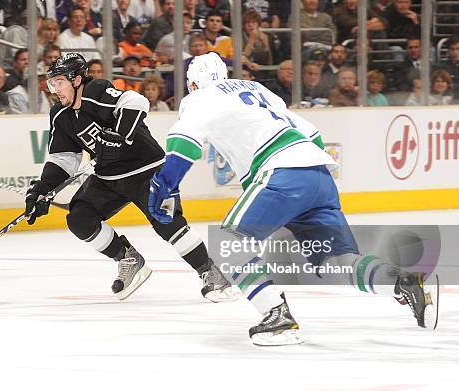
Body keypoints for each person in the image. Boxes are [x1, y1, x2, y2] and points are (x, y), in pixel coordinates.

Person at [148, 52, 438, 345]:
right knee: (335, 262)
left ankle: (277, 317)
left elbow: (183, 144)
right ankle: (402, 282)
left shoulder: (200, 98)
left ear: (193, 84)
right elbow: (313, 135)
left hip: (281, 173)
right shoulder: (258, 89)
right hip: (318, 173)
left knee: (228, 243)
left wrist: (163, 185)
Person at [25, 52, 233, 302]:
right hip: (108, 177)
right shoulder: (60, 114)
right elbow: (63, 158)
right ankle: (128, 259)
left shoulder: (97, 91)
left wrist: (119, 137)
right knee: (80, 218)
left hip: (146, 169)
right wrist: (43, 190)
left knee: (166, 222)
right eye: (52, 83)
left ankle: (211, 273)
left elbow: (136, 101)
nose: (54, 89)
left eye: (59, 82)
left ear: (77, 80)